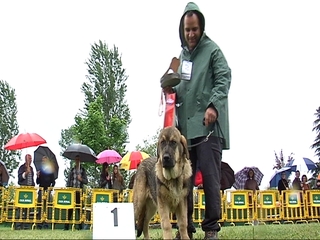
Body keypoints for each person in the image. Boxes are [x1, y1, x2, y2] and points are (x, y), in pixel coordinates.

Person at [163, 2, 231, 239]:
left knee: (211, 178)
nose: (191, 34)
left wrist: (214, 105)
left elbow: (224, 78)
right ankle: (186, 227)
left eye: (194, 29)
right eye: (187, 30)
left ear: (201, 28)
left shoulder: (212, 51)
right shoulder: (180, 57)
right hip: (185, 132)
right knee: (184, 182)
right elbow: (177, 87)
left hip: (208, 128)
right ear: (182, 30)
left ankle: (211, 228)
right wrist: (169, 93)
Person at [64, 155, 88, 231]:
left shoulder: (83, 170)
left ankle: (80, 226)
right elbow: (68, 181)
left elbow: (86, 181)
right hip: (72, 191)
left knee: (80, 209)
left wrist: (81, 179)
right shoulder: (72, 170)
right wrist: (68, 188)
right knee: (70, 209)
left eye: (78, 160)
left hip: (79, 192)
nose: (77, 161)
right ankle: (66, 226)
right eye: (76, 160)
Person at [16, 154, 35, 230]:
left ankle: (26, 225)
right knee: (20, 208)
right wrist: (26, 173)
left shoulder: (32, 168)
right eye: (29, 158)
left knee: (28, 208)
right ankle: (18, 225)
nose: (30, 160)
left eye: (31, 159)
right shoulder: (22, 167)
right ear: (25, 159)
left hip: (30, 190)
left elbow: (32, 179)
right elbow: (19, 179)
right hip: (23, 190)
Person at [36, 156, 56, 229]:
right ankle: (40, 223)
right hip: (41, 190)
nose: (43, 162)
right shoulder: (40, 170)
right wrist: (38, 176)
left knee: (47, 207)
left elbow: (53, 182)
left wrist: (50, 189)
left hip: (48, 190)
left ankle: (47, 223)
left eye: (45, 161)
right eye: (43, 161)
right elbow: (37, 182)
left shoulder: (50, 170)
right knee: (40, 207)